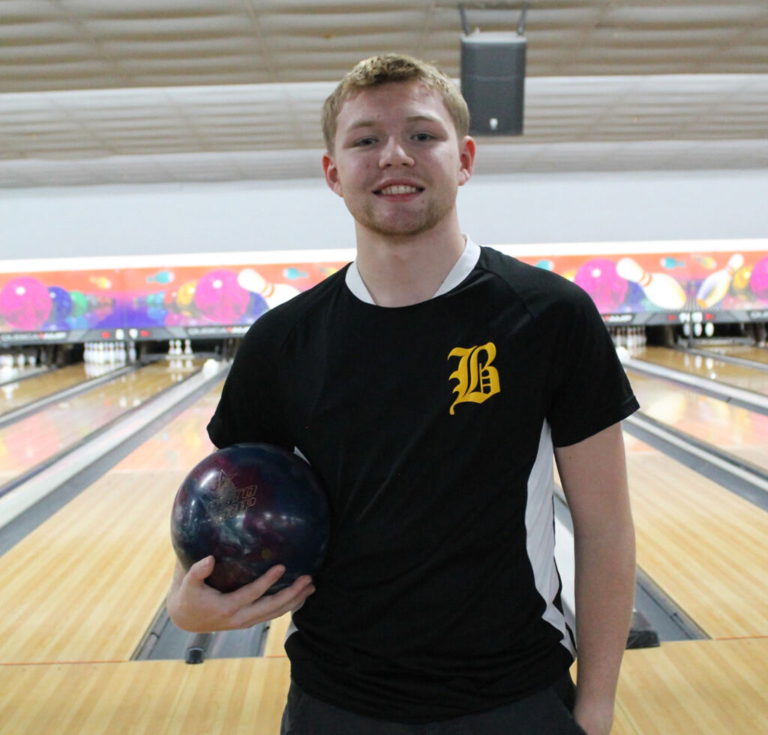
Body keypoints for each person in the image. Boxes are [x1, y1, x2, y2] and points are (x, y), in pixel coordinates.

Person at [166, 54, 638, 735]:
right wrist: (185, 605)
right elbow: (221, 502)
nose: (395, 155)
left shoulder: (549, 315)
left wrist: (595, 703)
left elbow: (604, 526)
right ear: (333, 171)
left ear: (465, 157)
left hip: (516, 699)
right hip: (336, 702)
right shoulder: (282, 342)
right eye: (365, 139)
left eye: (422, 135)